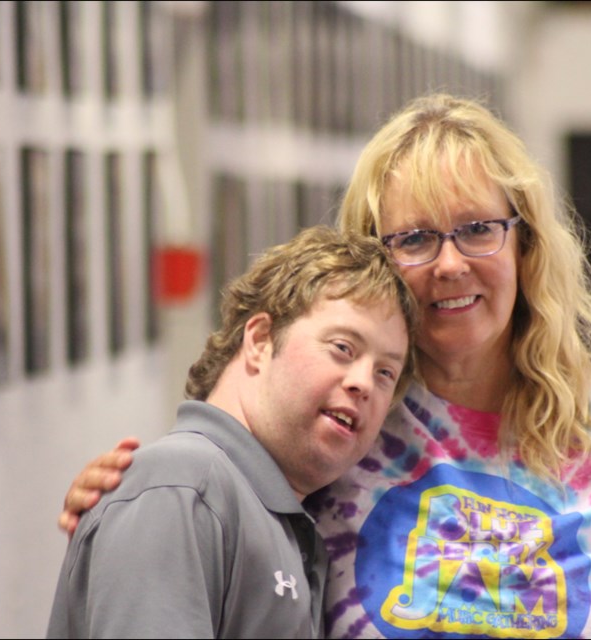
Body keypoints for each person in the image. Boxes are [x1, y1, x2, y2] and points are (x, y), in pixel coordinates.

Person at [58, 94, 591, 639]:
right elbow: (206, 492)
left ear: (525, 245)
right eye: (416, 239)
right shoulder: (338, 438)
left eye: (478, 228)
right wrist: (121, 492)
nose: (450, 264)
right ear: (374, 261)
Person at [46, 225, 419, 638]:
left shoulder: (265, 512)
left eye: (385, 372)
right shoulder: (181, 489)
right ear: (260, 340)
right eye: (342, 348)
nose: (363, 382)